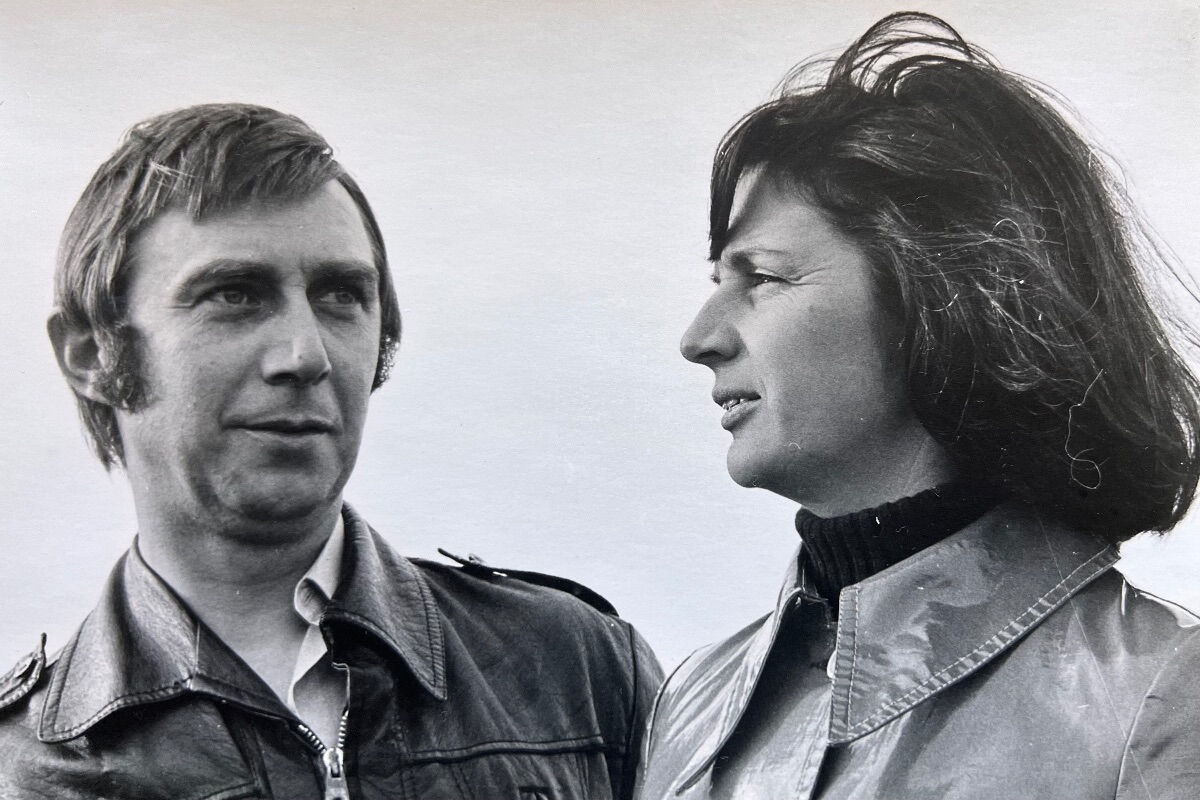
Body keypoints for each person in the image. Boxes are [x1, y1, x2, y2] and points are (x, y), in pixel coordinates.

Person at [0, 103, 661, 799]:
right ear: (92, 356)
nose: (306, 355)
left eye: (341, 295)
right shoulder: (23, 772)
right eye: (234, 294)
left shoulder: (578, 668)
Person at [635, 12, 1200, 800]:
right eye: (716, 281)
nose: (698, 339)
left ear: (942, 297)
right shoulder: (688, 703)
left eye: (760, 276)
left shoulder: (1166, 694)